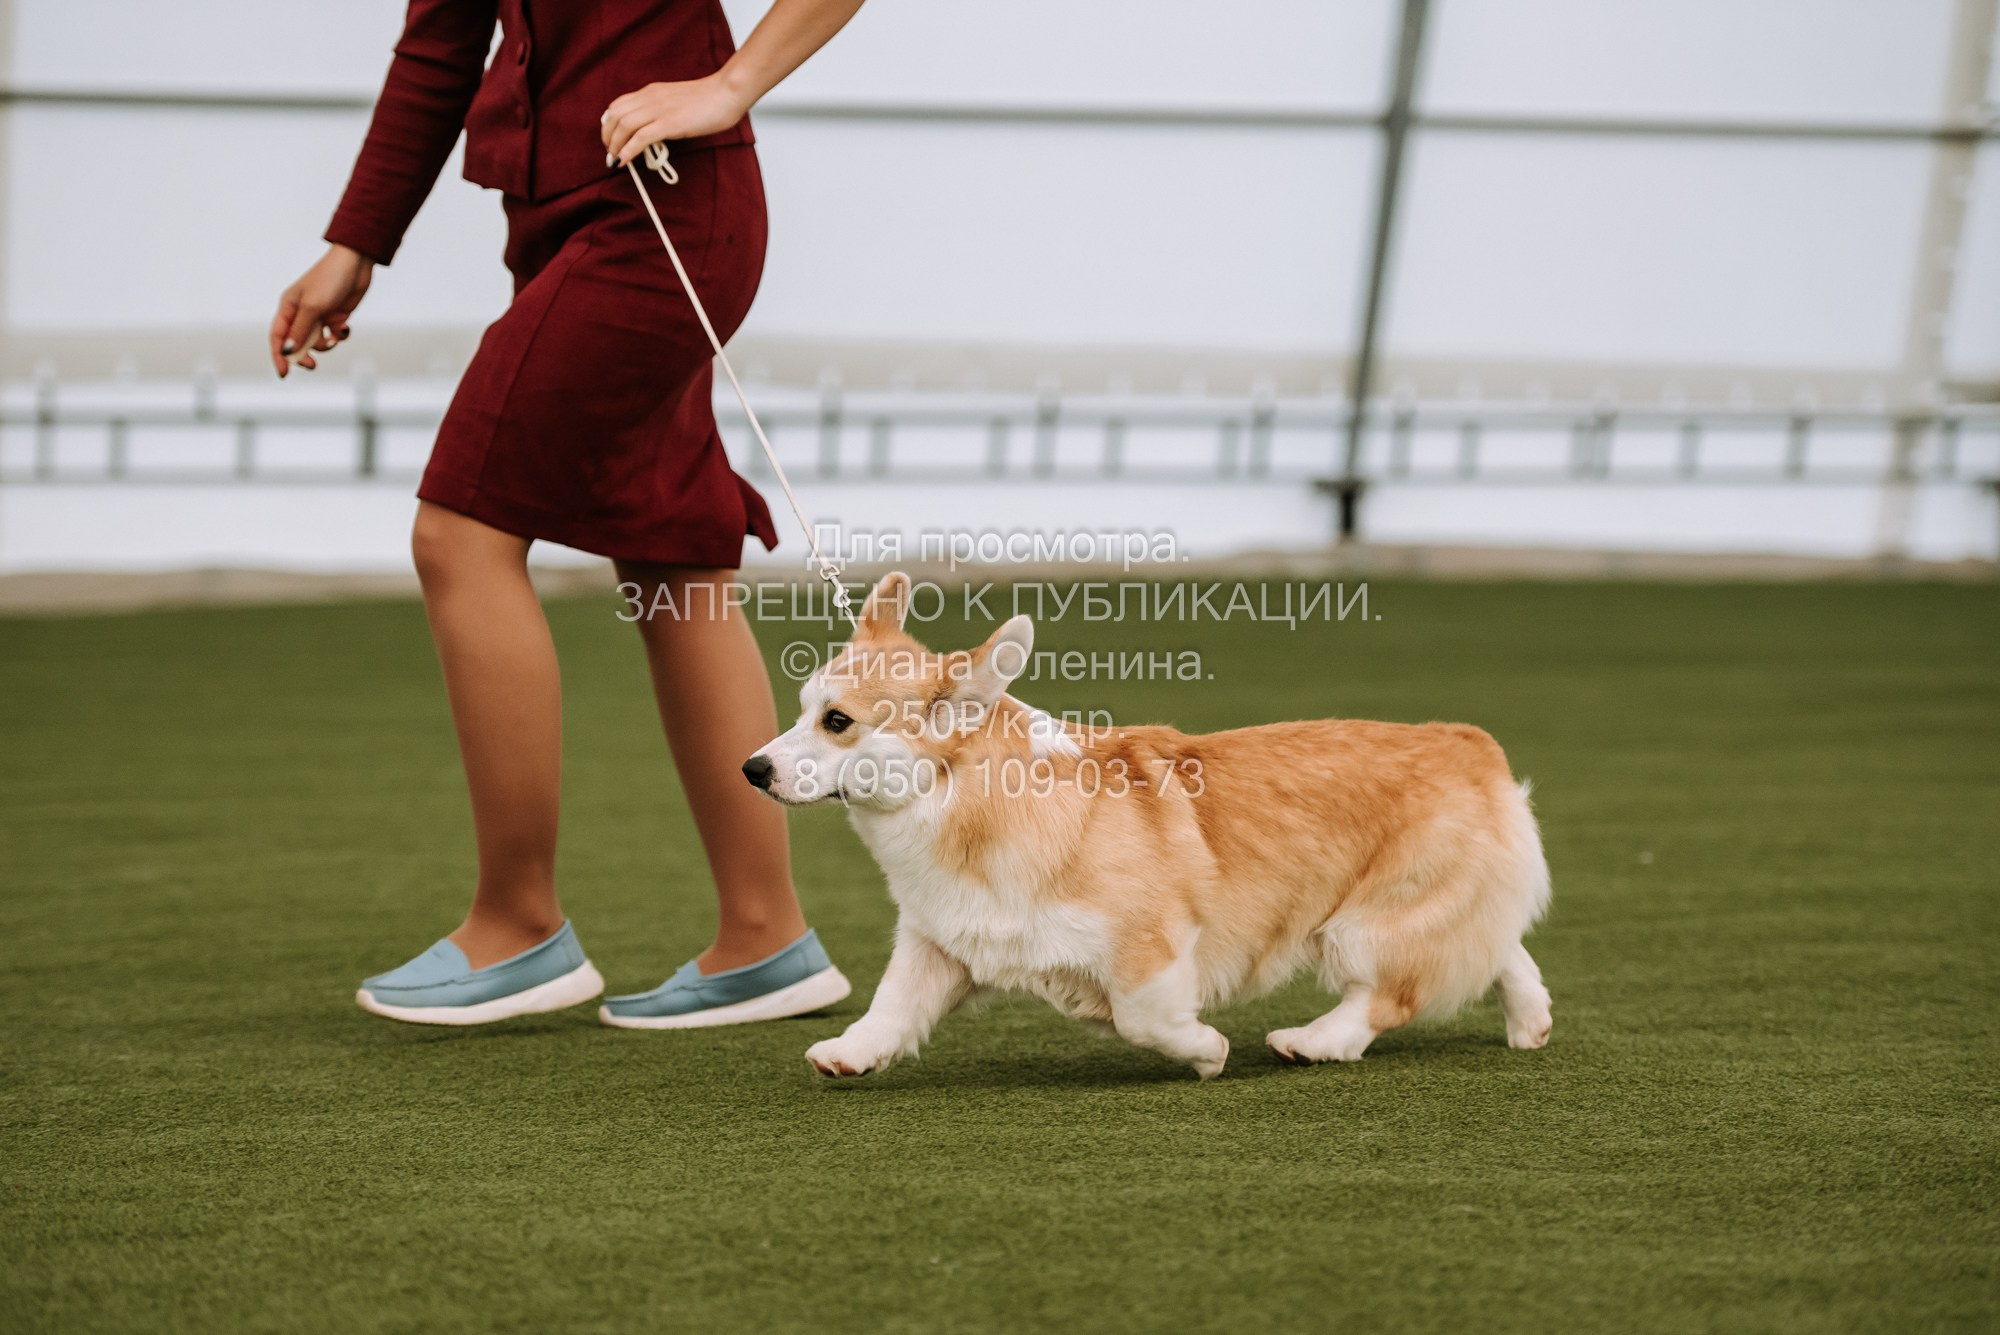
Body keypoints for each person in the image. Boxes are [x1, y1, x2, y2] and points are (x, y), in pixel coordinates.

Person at [269, 0, 865, 1028]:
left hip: (668, 210)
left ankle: (517, 926)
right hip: (557, 218)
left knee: (458, 530)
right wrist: (354, 242)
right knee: (671, 554)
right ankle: (765, 937)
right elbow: (442, 41)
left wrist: (729, 86)